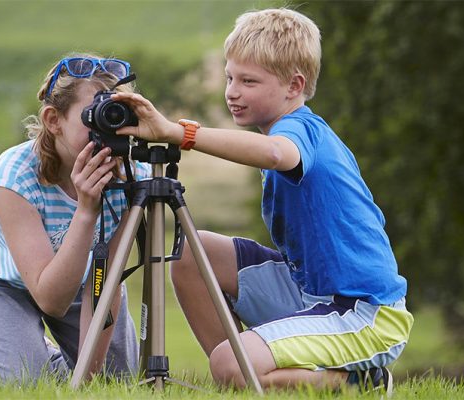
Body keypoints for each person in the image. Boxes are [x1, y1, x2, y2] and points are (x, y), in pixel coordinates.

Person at [112, 8, 413, 394]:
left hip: (364, 313)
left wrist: (179, 132)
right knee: (191, 254)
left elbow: (276, 154)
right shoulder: (282, 128)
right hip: (307, 292)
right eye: (230, 77)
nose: (233, 91)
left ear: (294, 85)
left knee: (230, 364)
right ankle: (241, 378)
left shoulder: (299, 129)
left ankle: (361, 384)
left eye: (249, 81)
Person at [0, 53, 150, 383]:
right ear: (53, 120)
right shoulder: (14, 176)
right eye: (95, 116)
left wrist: (88, 378)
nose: (108, 129)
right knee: (21, 377)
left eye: (118, 115)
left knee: (116, 378)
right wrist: (87, 210)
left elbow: (107, 282)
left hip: (76, 271)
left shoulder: (131, 176)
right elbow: (52, 301)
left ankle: (27, 351)